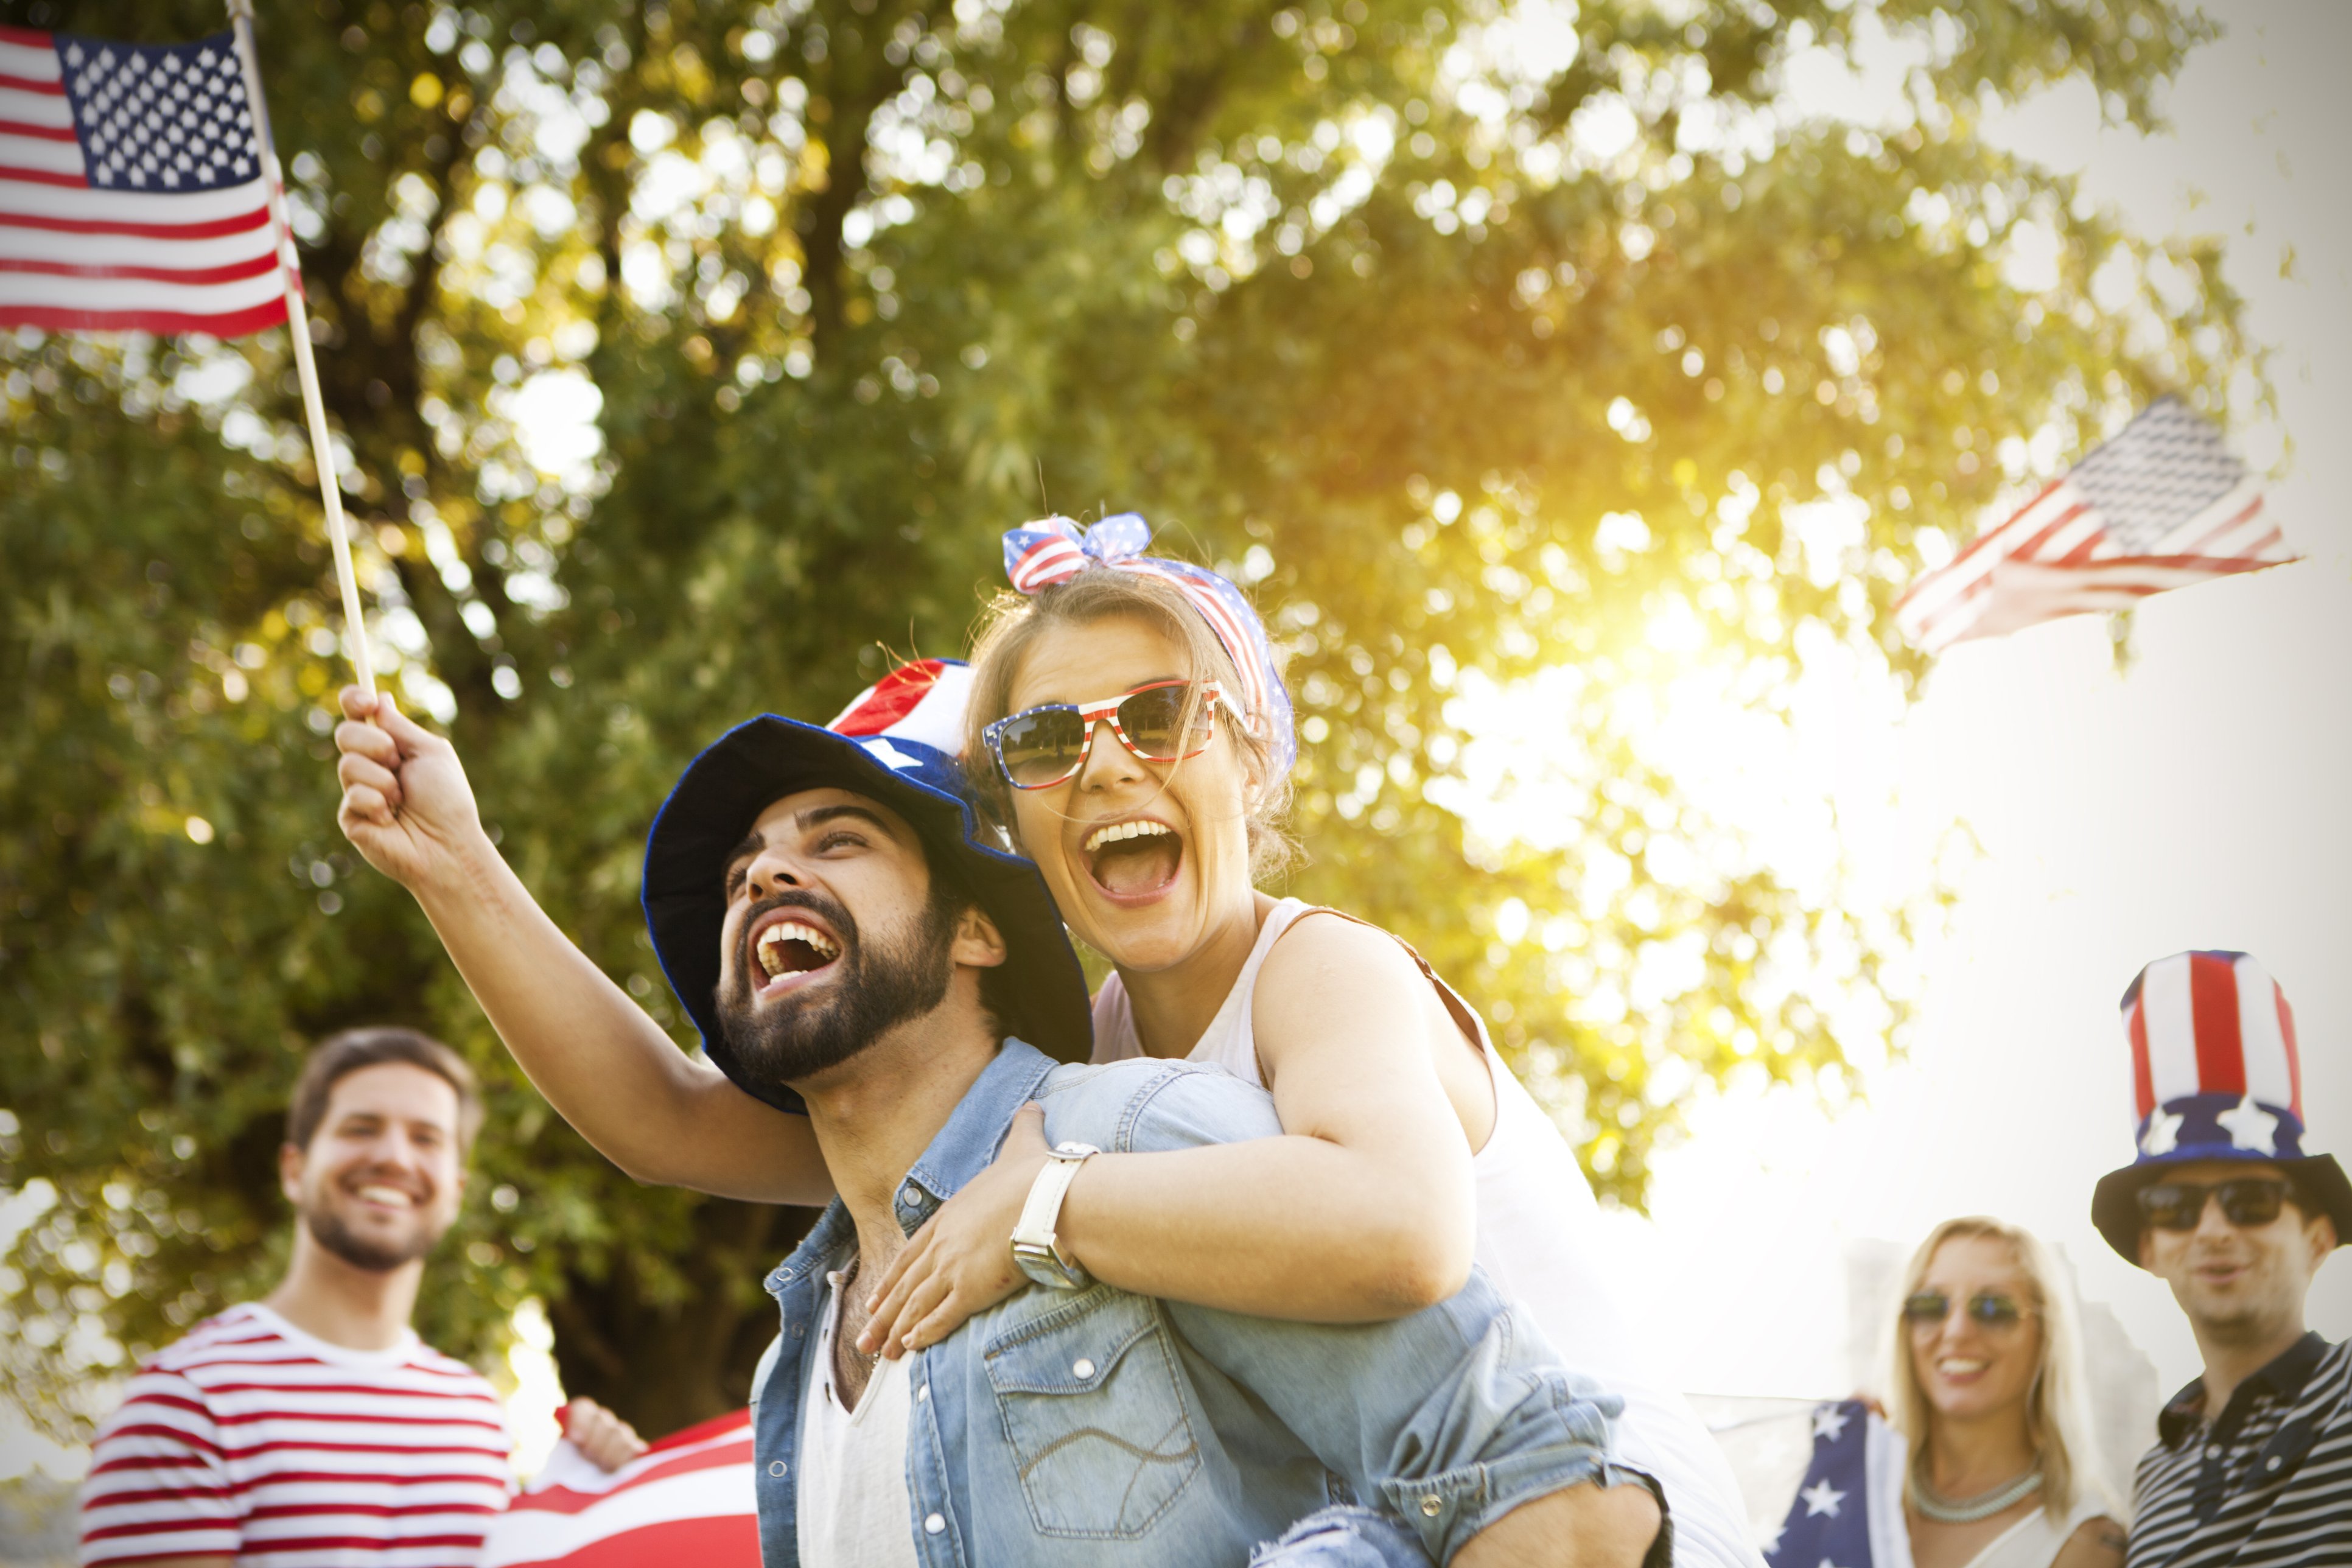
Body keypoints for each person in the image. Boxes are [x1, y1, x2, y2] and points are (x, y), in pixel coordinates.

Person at [331, 657, 1668, 1567]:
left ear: (978, 929)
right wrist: (451, 861)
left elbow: (1562, 1486)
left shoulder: (1133, 1135)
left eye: (836, 839)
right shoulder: (793, 1368)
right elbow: (659, 1116)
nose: (766, 870)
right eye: (744, 866)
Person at [858, 514, 1760, 1568]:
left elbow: (1403, 1230)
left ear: (1248, 765)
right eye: (1047, 741)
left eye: (1158, 716)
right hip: (1387, 1528)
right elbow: (700, 1128)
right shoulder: (1077, 1064)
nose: (1104, 767)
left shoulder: (1319, 973)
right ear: (1011, 818)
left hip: (1598, 1516)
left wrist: (1043, 1202)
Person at [78, 1027, 646, 1567]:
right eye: (361, 1128)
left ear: (455, 1192)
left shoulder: (475, 1416)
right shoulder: (185, 1402)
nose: (395, 1157)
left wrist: (605, 1487)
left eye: (426, 1138)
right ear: (294, 1170)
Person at [2087, 950, 2350, 1568]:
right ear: (2150, 1247)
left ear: (2318, 1237)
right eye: (2175, 1204)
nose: (2211, 1228)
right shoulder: (2153, 1476)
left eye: (2250, 1199)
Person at [1881, 1217, 2123, 1568]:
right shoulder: (1859, 1498)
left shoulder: (2086, 1539)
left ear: (2045, 1335)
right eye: (1931, 1306)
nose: (1957, 1332)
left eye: (1993, 1308)